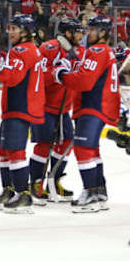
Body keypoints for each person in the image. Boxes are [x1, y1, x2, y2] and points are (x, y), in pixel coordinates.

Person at [53, 16, 119, 213]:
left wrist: (61, 75)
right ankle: (99, 191)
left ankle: (90, 193)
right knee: (92, 149)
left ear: (103, 33)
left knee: (82, 148)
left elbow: (84, 81)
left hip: (94, 105)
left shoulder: (98, 50)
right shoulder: (103, 51)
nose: (87, 33)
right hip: (101, 105)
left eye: (92, 30)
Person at [0, 14, 45, 214]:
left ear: (26, 31)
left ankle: (23, 195)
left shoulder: (22, 50)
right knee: (3, 146)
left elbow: (12, 77)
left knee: (14, 149)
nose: (10, 31)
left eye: (14, 28)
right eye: (9, 27)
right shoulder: (26, 50)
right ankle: (9, 189)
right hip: (18, 106)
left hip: (21, 106)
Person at [29, 17, 85, 205]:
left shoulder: (77, 51)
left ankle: (54, 179)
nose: (81, 35)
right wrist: (58, 71)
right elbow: (40, 76)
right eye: (78, 31)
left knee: (68, 140)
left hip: (63, 108)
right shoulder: (49, 48)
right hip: (45, 106)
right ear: (68, 33)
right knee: (44, 144)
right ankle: (36, 183)